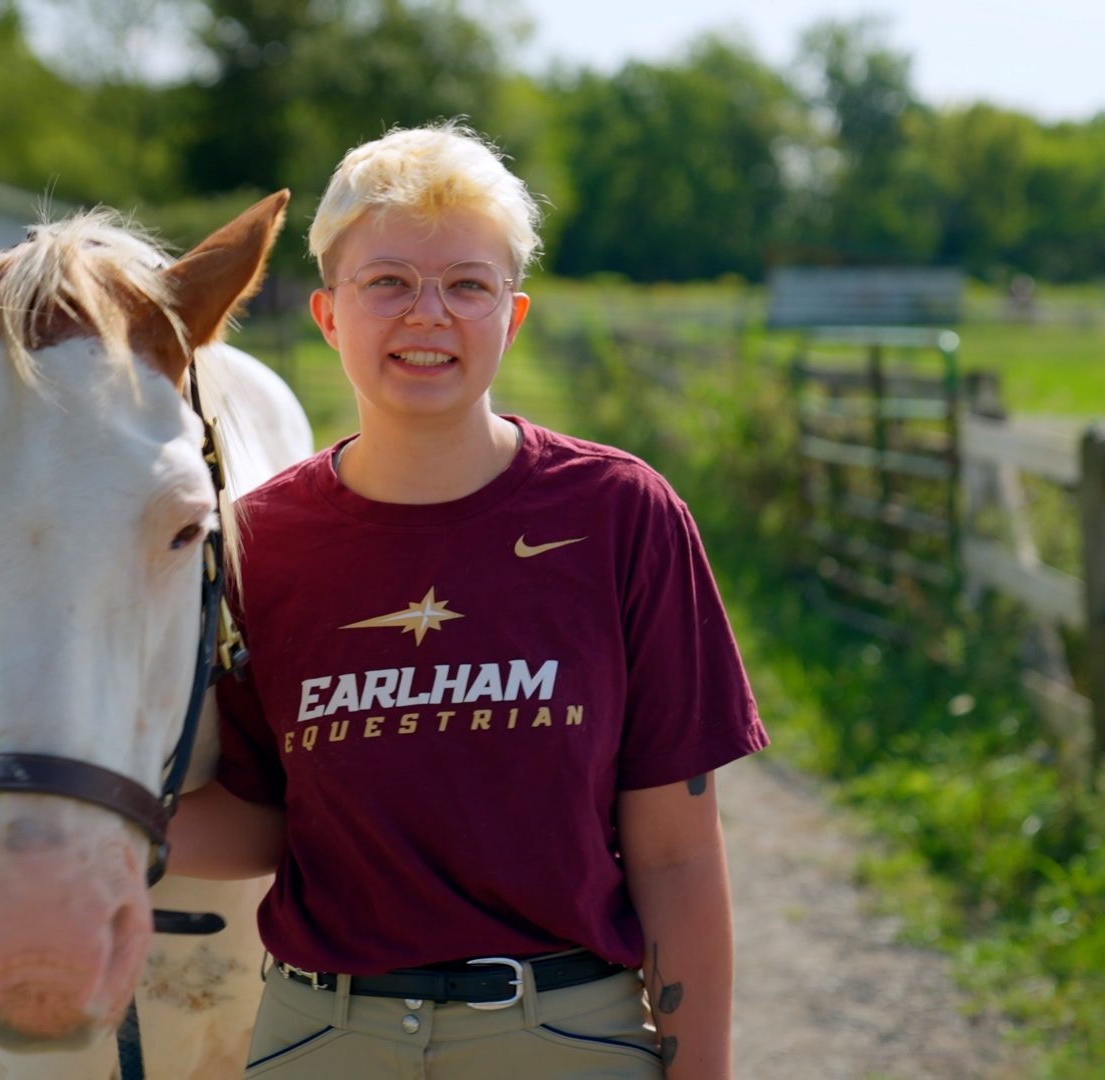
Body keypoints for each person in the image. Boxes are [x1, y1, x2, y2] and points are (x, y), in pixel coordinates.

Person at [169, 122, 767, 1079]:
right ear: (329, 315)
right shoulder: (255, 543)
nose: (428, 315)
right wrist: (78, 819)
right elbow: (267, 815)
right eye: (390, 282)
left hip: (567, 1034)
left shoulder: (622, 517)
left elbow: (677, 857)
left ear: (512, 316)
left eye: (468, 285)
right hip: (320, 1040)